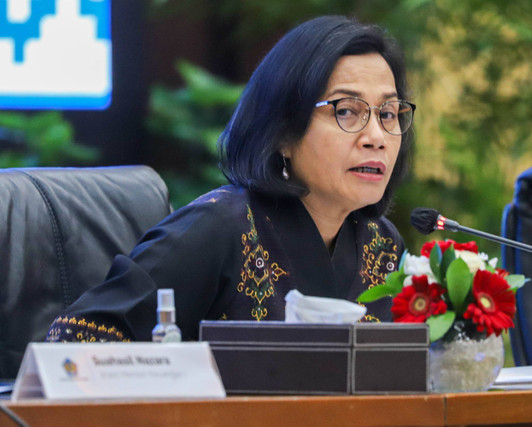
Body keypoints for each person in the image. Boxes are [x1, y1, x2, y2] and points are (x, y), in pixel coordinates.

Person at [46, 15, 415, 343]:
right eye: (347, 111)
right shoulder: (218, 229)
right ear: (283, 133)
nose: (376, 137)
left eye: (388, 113)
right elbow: (74, 342)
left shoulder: (381, 245)